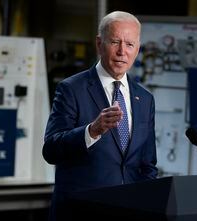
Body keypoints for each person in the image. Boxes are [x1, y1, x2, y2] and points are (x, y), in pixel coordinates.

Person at [42, 11, 158, 220]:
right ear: (99, 43)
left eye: (130, 45)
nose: (122, 51)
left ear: (137, 49)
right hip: (81, 212)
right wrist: (92, 131)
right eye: (115, 42)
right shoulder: (71, 89)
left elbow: (147, 164)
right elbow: (51, 150)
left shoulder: (145, 98)